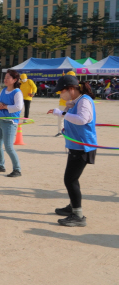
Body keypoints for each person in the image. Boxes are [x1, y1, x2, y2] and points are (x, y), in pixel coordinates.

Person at [47, 75, 97, 227]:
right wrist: (66, 126)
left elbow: (83, 120)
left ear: (70, 89)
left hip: (83, 147)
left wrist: (61, 113)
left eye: (61, 92)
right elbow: (75, 122)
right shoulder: (76, 101)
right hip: (76, 146)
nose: (60, 95)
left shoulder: (85, 101)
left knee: (70, 179)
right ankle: (72, 206)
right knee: (71, 179)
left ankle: (78, 215)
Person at [0, 69, 24, 177]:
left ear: (14, 80)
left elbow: (19, 107)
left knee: (8, 146)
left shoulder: (17, 92)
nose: (5, 79)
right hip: (0, 120)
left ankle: (17, 169)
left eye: (8, 77)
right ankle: (0, 165)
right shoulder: (3, 90)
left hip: (10, 122)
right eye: (5, 77)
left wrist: (5, 106)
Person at [54, 71, 77, 136]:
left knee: (72, 119)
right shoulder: (63, 84)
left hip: (72, 104)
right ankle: (60, 132)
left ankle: (71, 133)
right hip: (63, 103)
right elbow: (57, 92)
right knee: (61, 118)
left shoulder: (77, 85)